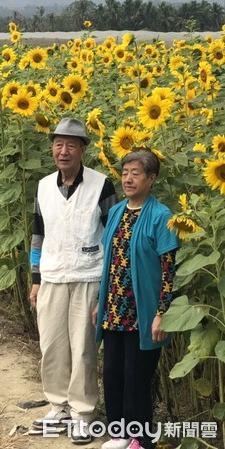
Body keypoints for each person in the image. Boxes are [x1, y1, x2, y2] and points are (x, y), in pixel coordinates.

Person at [28, 118, 117, 444]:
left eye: (71, 145)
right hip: (51, 276)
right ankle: (58, 407)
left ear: (82, 150)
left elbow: (112, 237)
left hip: (88, 276)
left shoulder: (101, 185)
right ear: (52, 147)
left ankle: (83, 414)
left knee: (82, 350)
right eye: (58, 144)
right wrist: (36, 280)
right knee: (51, 346)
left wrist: (108, 288)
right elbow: (38, 235)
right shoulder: (43, 186)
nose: (63, 151)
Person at [94, 149, 178, 449]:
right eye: (125, 172)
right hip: (114, 308)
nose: (128, 179)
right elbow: (110, 262)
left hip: (142, 312)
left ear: (152, 179)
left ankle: (140, 439)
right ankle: (118, 433)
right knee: (113, 373)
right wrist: (99, 302)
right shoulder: (117, 211)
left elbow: (169, 270)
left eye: (136, 173)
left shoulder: (161, 216)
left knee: (136, 378)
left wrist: (162, 313)